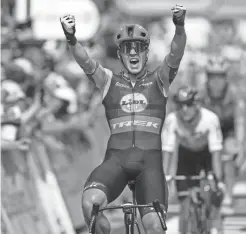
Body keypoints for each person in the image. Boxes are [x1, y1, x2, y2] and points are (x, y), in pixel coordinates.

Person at [60, 4, 186, 234]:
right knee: (90, 204)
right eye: (127, 48)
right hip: (116, 162)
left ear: (147, 53)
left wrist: (179, 27)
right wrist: (71, 38)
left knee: (154, 227)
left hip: (150, 165)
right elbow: (85, 62)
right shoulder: (108, 81)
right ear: (120, 54)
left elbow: (176, 53)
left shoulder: (160, 80)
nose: (133, 53)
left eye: (139, 47)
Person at [162, 86, 225, 234]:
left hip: (206, 156)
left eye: (189, 104)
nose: (184, 109)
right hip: (186, 158)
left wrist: (219, 180)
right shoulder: (172, 120)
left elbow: (216, 153)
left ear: (197, 104)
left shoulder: (210, 119)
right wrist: (165, 178)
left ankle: (214, 223)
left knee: (214, 192)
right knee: (184, 199)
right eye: (180, 105)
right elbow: (168, 151)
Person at [199, 55, 239, 206]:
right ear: (207, 78)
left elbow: (240, 120)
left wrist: (239, 144)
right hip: (208, 129)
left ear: (226, 78)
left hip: (227, 130)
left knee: (228, 155)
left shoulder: (233, 94)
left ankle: (228, 194)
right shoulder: (201, 93)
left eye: (220, 77)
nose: (216, 81)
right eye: (212, 77)